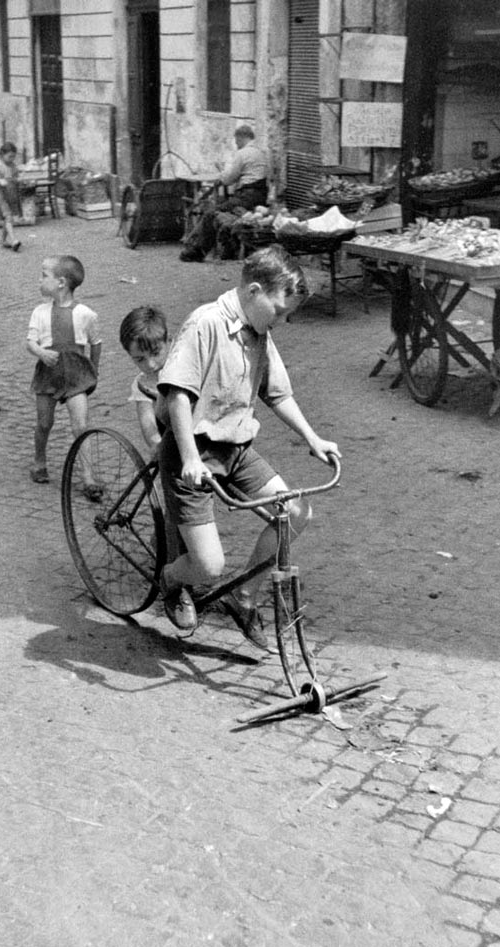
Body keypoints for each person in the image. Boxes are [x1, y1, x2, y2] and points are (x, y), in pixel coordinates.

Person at [155, 244, 340, 647]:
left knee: (295, 512)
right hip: (194, 451)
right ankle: (171, 578)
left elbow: (278, 394)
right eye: (279, 310)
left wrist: (313, 439)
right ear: (254, 291)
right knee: (208, 565)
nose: (282, 321)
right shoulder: (206, 323)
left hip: (235, 449)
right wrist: (188, 457)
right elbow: (178, 397)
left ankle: (243, 598)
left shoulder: (260, 331)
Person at [26, 255, 102, 496]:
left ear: (61, 282)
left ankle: (88, 478)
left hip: (75, 375)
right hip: (48, 373)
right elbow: (30, 341)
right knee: (44, 422)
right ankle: (39, 461)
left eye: (44, 275)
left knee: (80, 425)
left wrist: (93, 369)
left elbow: (96, 343)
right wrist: (40, 352)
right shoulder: (40, 312)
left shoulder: (86, 314)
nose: (39, 280)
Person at [179, 124, 270, 262]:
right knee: (222, 209)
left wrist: (221, 177)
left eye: (236, 140)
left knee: (211, 213)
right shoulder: (260, 152)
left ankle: (195, 250)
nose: (236, 143)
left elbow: (229, 178)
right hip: (260, 197)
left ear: (240, 138)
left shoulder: (242, 153)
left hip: (246, 196)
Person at [119, 305, 170, 453]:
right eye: (140, 359)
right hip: (168, 443)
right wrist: (156, 443)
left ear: (169, 341)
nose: (150, 364)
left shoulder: (184, 369)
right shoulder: (143, 384)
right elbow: (147, 421)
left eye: (155, 353)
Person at [0, 141, 21, 251]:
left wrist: (17, 180)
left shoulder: (13, 166)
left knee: (9, 218)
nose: (12, 159)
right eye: (10, 156)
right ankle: (14, 240)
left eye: (13, 157)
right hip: (1, 195)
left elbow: (16, 176)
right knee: (8, 217)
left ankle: (3, 240)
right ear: (2, 155)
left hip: (11, 194)